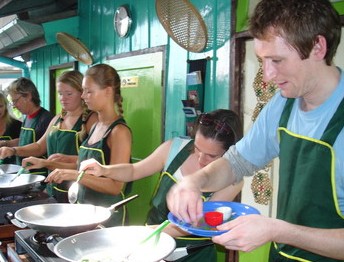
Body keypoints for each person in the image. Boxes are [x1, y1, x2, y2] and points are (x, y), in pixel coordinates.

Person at [166, 0, 344, 261]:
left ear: (318, 47)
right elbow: (236, 163)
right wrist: (194, 182)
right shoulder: (283, 104)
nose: (269, 75)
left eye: (277, 60)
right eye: (263, 61)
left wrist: (277, 230)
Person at [79, 109, 244, 262]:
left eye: (211, 156)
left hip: (193, 254)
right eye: (197, 148)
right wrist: (104, 170)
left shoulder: (232, 180)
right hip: (152, 244)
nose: (201, 159)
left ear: (229, 153)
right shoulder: (174, 148)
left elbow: (195, 223)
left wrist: (142, 233)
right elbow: (134, 170)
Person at [45, 64, 132, 226]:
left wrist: (74, 175)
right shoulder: (97, 126)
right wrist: (66, 160)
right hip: (86, 213)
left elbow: (116, 186)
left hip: (107, 219)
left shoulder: (119, 132)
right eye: (83, 90)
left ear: (108, 91)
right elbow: (92, 165)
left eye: (89, 91)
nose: (83, 96)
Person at [0, 71, 97, 202]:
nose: (63, 98)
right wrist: (13, 150)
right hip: (54, 188)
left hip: (78, 192)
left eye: (69, 94)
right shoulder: (58, 118)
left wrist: (47, 163)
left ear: (82, 93)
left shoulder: (91, 120)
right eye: (60, 93)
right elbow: (40, 146)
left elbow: (92, 163)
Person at [0, 77, 54, 175]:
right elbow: (24, 140)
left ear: (28, 96)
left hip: (39, 176)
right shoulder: (27, 118)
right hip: (24, 173)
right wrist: (5, 144)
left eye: (15, 101)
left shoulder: (47, 119)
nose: (14, 105)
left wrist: (13, 150)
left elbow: (39, 148)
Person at [0, 91, 22, 164]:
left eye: (0, 106)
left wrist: (5, 143)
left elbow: (25, 141)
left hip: (14, 169)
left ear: (5, 106)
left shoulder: (17, 125)